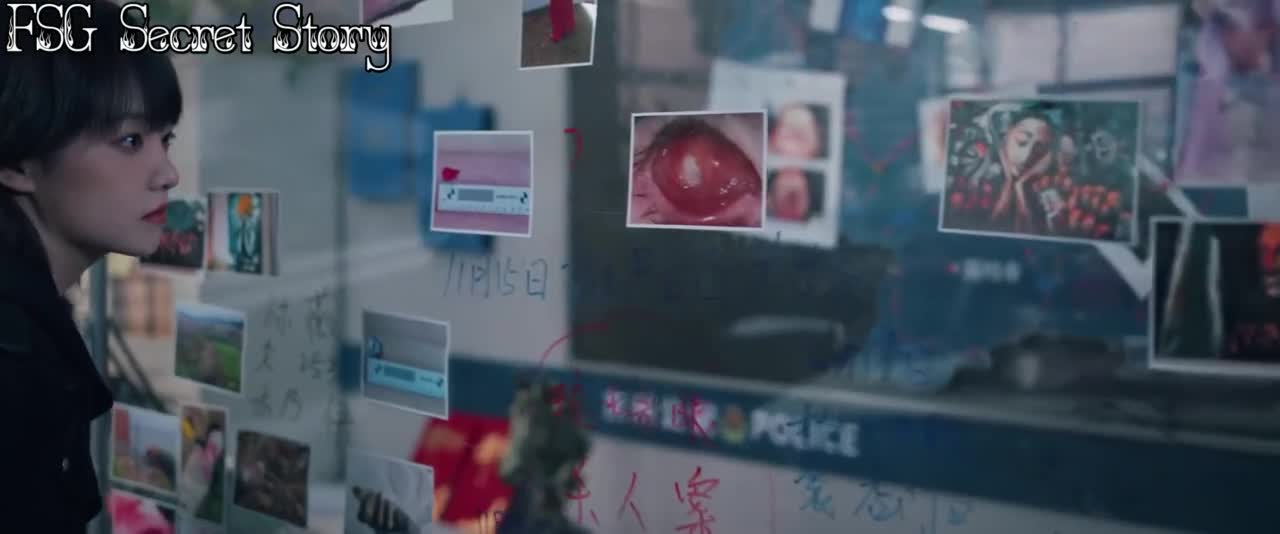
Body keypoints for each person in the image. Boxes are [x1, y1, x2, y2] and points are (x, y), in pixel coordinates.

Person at [0, 1, 183, 531]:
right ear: (18, 163)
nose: (167, 173)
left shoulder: (37, 325)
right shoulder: (12, 367)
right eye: (130, 141)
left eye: (165, 139)